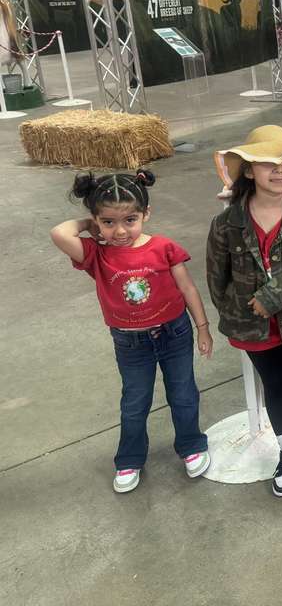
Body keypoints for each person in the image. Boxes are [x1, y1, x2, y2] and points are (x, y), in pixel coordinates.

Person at [51, 170, 212, 494]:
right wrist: (89, 226)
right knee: (135, 401)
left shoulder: (164, 247)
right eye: (108, 222)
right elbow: (59, 233)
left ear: (146, 214)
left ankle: (191, 444)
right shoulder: (96, 254)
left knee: (183, 394)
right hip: (130, 342)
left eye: (130, 219)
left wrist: (203, 328)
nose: (120, 230)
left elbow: (188, 288)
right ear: (97, 220)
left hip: (174, 333)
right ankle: (129, 459)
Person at [206, 125, 282, 498]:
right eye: (268, 163)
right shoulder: (227, 224)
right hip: (253, 326)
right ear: (248, 171)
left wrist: (272, 296)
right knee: (274, 383)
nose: (280, 170)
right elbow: (217, 276)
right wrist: (236, 311)